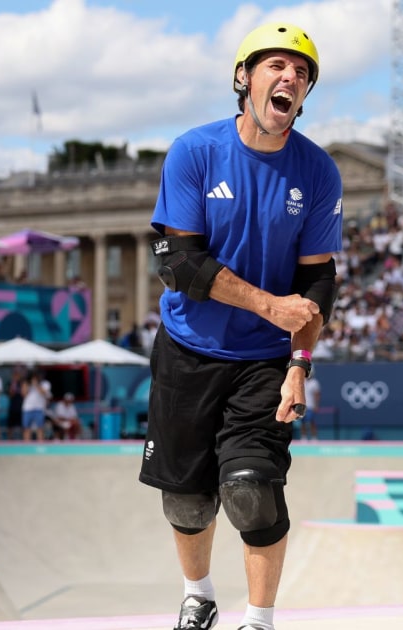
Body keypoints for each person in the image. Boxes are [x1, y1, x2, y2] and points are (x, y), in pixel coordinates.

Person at [136, 22, 343, 630]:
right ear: (243, 77)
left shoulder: (318, 172)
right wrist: (269, 306)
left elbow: (317, 285)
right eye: (277, 65)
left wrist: (299, 366)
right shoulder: (195, 152)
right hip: (187, 348)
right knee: (189, 500)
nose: (291, 78)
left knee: (251, 491)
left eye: (302, 73)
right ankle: (198, 596)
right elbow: (179, 263)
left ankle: (259, 620)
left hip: (263, 362)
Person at [21, 371, 52, 442]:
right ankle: (26, 445)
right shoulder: (27, 383)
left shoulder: (45, 383)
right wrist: (27, 384)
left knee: (40, 428)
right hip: (27, 409)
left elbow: (43, 392)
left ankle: (40, 445)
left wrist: (36, 384)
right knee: (26, 428)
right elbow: (23, 394)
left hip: (39, 409)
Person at [298, 374, 320, 441]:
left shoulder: (314, 382)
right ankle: (303, 437)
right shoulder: (302, 381)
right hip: (302, 405)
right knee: (302, 422)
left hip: (311, 406)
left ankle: (314, 437)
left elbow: (317, 395)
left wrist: (316, 405)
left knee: (311, 422)